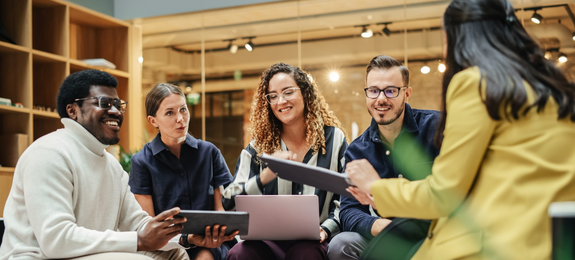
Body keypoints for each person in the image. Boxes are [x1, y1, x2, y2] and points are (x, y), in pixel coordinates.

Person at [346, 0, 575, 259]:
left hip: (496, 243)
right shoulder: (555, 88)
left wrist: (376, 187)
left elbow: (445, 193)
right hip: (553, 241)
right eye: (373, 91)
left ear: (455, 37)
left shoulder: (475, 84)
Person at [0, 70, 191, 260]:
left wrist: (185, 238)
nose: (115, 111)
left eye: (118, 105)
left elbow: (138, 224)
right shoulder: (49, 153)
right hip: (39, 257)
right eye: (104, 104)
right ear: (73, 110)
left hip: (86, 255)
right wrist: (138, 240)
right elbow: (57, 240)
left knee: (175, 253)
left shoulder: (111, 165)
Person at [222, 62, 348, 260]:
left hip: (316, 241)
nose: (280, 101)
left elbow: (346, 197)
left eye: (288, 92)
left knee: (305, 254)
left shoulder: (334, 140)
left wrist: (326, 229)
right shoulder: (258, 148)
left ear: (305, 94)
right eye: (273, 96)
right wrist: (264, 176)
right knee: (240, 253)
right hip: (268, 242)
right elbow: (228, 202)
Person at [327, 55, 440, 260]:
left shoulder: (436, 128)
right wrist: (380, 225)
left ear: (407, 94)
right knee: (341, 245)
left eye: (390, 91)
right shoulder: (357, 150)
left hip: (433, 232)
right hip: (385, 235)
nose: (381, 99)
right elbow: (348, 211)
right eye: (373, 91)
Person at [129, 83, 237, 260]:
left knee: (205, 256)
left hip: (211, 244)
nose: (180, 118)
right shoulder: (141, 162)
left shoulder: (209, 153)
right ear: (153, 120)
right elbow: (149, 225)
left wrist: (218, 234)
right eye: (170, 112)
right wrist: (186, 239)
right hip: (167, 245)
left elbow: (221, 211)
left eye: (183, 109)